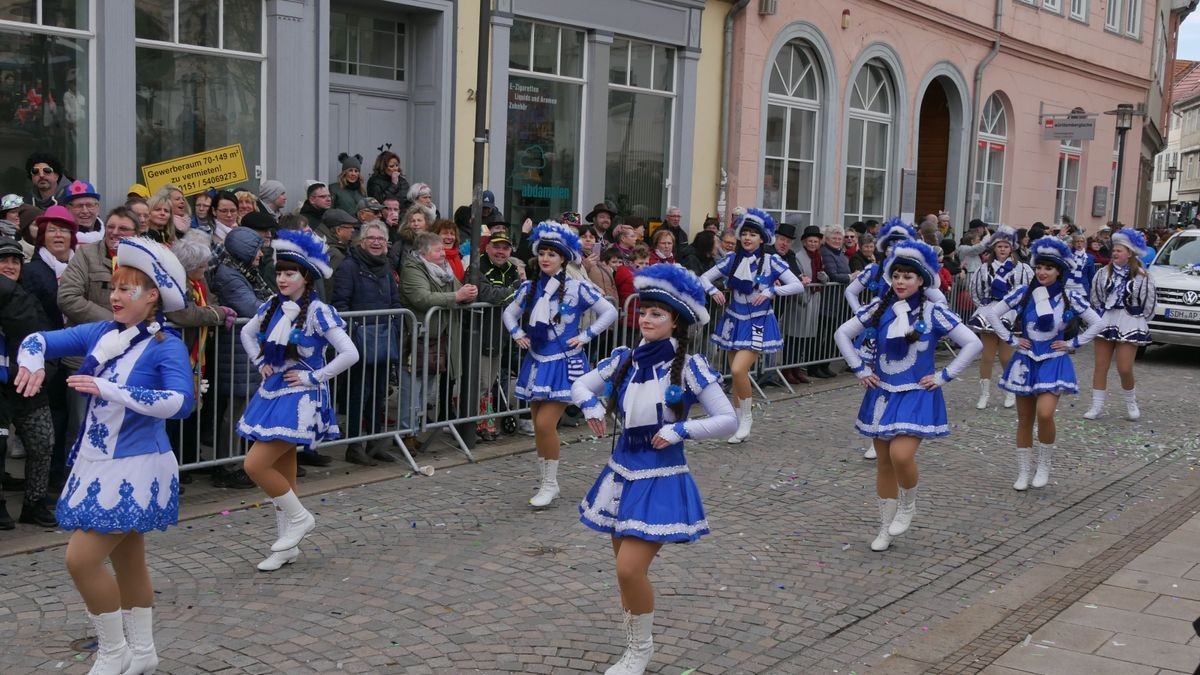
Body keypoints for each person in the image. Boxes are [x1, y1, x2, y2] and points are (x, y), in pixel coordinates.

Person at [15, 237, 196, 675]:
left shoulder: (165, 345)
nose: (114, 296)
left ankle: (113, 653)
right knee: (128, 556)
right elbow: (38, 338)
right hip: (98, 460)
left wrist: (111, 389)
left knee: (81, 559)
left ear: (152, 296)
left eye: (125, 289)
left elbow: (180, 402)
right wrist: (33, 361)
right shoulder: (102, 333)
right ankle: (142, 650)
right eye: (112, 287)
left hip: (136, 464)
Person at [570, 264, 735, 675]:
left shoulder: (690, 367)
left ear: (675, 321)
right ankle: (632, 646)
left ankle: (640, 651)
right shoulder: (624, 359)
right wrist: (590, 405)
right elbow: (578, 385)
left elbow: (728, 419)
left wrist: (681, 429)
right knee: (624, 573)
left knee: (630, 568)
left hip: (661, 477)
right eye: (643, 312)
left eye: (657, 314)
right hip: (620, 473)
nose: (646, 319)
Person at [833, 240, 981, 551]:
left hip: (917, 393)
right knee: (884, 462)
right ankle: (884, 528)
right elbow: (842, 334)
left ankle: (909, 503)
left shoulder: (934, 311)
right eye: (897, 275)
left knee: (901, 455)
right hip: (882, 393)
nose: (901, 282)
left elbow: (972, 343)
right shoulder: (879, 308)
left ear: (921, 281)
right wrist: (859, 368)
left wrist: (944, 376)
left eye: (908, 277)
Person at [237, 229, 359, 571]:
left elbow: (350, 353)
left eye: (290, 273)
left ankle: (301, 519)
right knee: (281, 473)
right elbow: (247, 332)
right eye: (279, 272)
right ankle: (286, 548)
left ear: (306, 276)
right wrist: (261, 362)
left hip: (302, 396)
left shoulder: (319, 311)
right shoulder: (272, 305)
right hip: (274, 391)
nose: (282, 278)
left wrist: (314, 376)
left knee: (255, 465)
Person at [502, 222, 617, 507]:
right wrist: (517, 333)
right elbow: (508, 313)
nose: (545, 258)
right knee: (540, 426)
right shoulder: (530, 288)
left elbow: (610, 311)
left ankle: (550, 483)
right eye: (542, 253)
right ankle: (546, 482)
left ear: (563, 258)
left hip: (564, 365)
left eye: (552, 254)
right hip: (537, 362)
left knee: (544, 423)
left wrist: (585, 335)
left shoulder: (578, 288)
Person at [982, 238, 1104, 491]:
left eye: (1048, 268)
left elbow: (1097, 323)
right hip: (1026, 361)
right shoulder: (1023, 293)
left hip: (1053, 361)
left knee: (1045, 414)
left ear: (1059, 271)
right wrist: (1010, 339)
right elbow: (992, 313)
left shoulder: (1068, 297)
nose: (1042, 272)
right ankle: (1024, 471)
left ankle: (1044, 464)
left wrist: (1074, 343)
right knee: (1024, 419)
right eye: (1039, 267)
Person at [700, 208, 804, 443]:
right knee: (737, 375)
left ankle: (747, 418)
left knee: (738, 370)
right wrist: (713, 289)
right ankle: (737, 422)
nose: (747, 238)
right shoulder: (732, 259)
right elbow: (703, 277)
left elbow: (797, 285)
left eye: (753, 234)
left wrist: (771, 290)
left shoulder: (771, 261)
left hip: (758, 322)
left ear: (762, 238)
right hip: (733, 322)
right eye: (744, 233)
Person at [331, 222, 403, 465]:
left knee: (379, 394)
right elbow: (340, 304)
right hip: (358, 342)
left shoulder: (386, 267)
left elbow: (395, 301)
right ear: (361, 241)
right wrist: (352, 335)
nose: (375, 242)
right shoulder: (349, 267)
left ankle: (374, 443)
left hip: (383, 340)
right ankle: (354, 446)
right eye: (371, 238)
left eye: (380, 239)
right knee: (357, 395)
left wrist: (394, 326)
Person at [0, 237, 57, 528]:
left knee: (43, 443)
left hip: (28, 386)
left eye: (15, 261)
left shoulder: (30, 298)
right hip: (1, 388)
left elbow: (48, 338)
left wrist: (45, 371)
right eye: (4, 261)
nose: (10, 266)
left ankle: (34, 504)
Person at [1084, 228, 1156, 421]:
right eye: (1114, 250)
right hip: (1107, 320)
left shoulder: (1142, 276)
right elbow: (1096, 299)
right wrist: (1100, 317)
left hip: (1129, 321)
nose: (1115, 253)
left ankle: (1131, 402)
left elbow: (1149, 304)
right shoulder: (1102, 274)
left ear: (1130, 253)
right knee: (1100, 366)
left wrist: (1138, 320)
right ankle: (1096, 405)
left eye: (1119, 250)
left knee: (1124, 368)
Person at [967, 225, 1033, 410]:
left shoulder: (1022, 269)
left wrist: (1019, 309)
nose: (1002, 249)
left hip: (1011, 312)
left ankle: (1010, 391)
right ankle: (984, 394)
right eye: (999, 246)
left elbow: (1028, 291)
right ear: (994, 248)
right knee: (987, 356)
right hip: (989, 310)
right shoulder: (984, 268)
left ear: (1012, 247)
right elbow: (976, 291)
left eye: (1006, 246)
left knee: (1006, 356)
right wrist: (984, 306)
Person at [465, 230, 522, 441]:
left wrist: (513, 293)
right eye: (496, 246)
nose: (500, 252)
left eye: (505, 247)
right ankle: (477, 424)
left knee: (490, 380)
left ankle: (485, 420)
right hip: (478, 331)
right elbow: (487, 294)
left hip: (501, 333)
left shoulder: (511, 269)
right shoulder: (476, 267)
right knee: (480, 380)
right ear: (487, 247)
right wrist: (514, 291)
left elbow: (519, 298)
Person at [63, 180, 104, 244]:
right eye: (79, 206)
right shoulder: (61, 240)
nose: (85, 211)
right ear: (68, 209)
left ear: (97, 207)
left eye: (89, 205)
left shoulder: (110, 234)